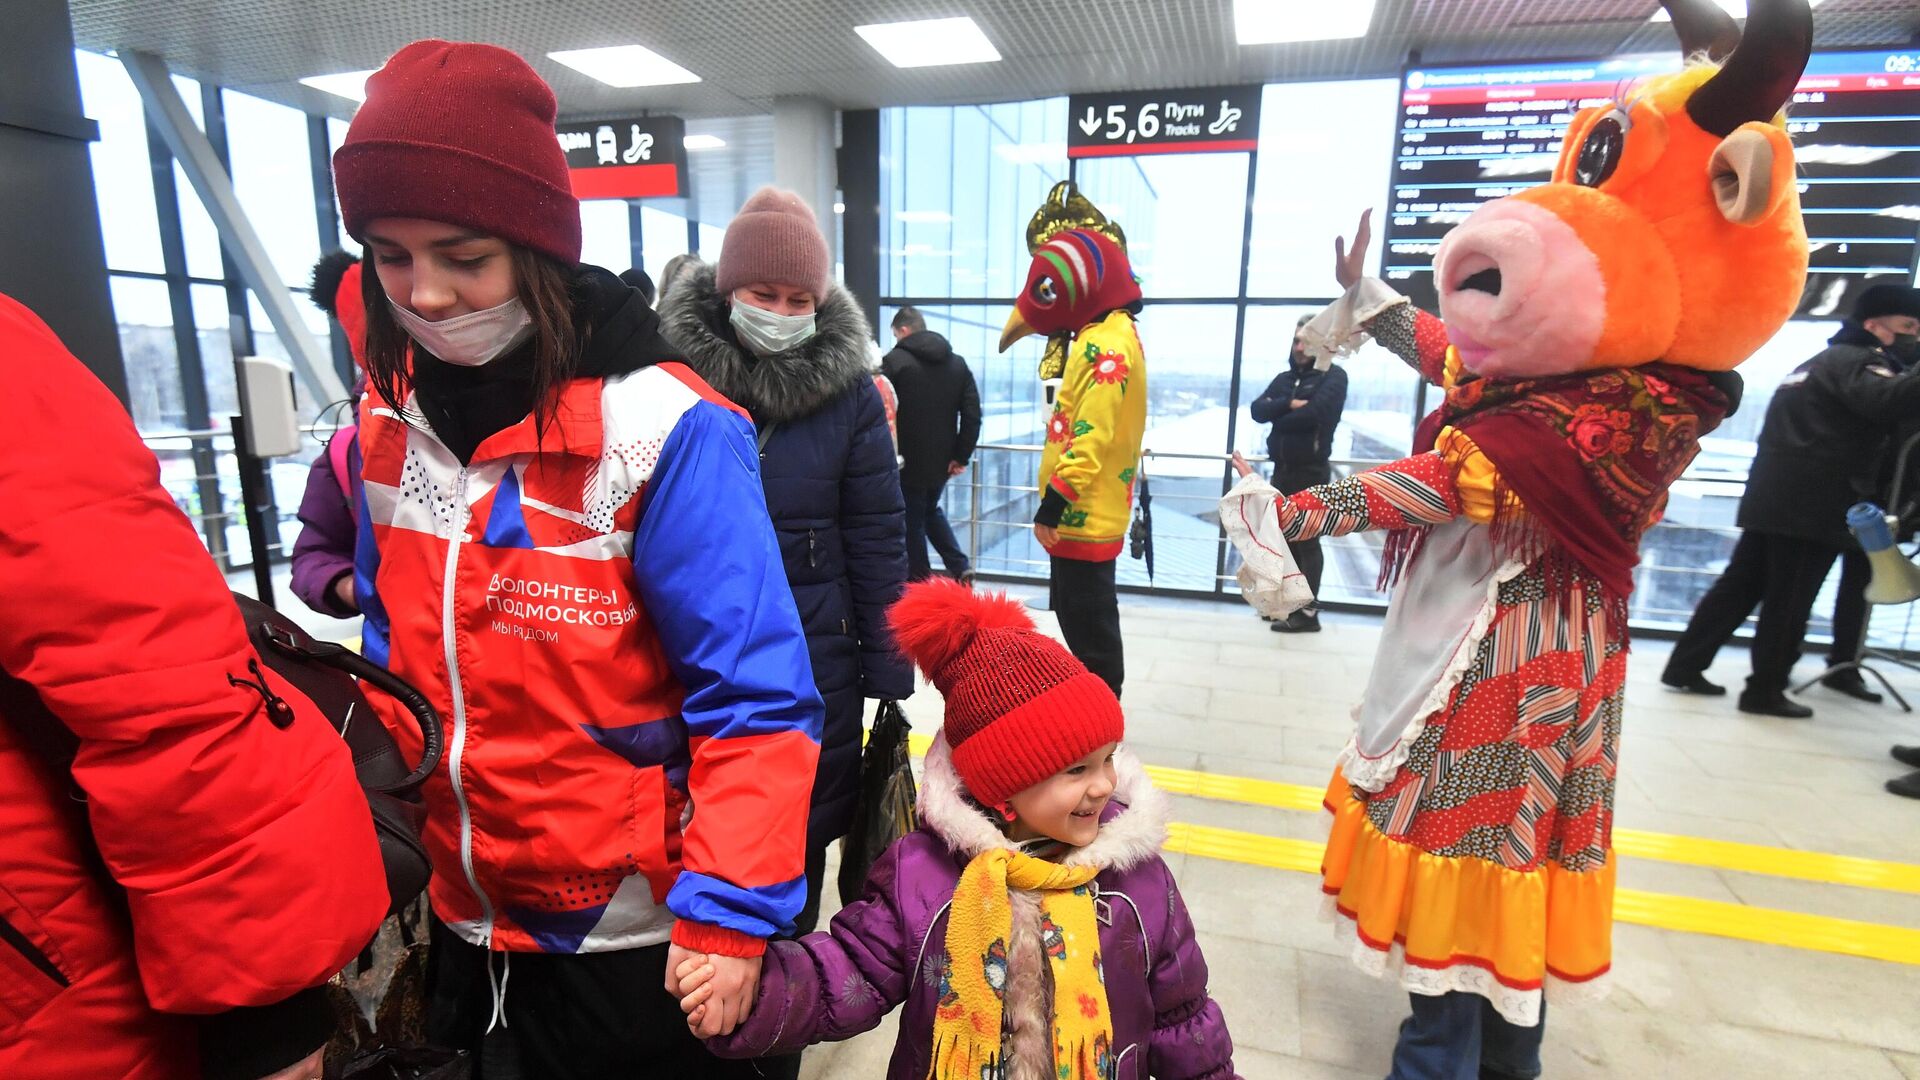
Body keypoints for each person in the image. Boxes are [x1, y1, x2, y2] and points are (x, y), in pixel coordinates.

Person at [1223, 0, 1813, 1071]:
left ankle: (1444, 1059)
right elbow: (1461, 358)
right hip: (1523, 649)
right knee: (1512, 880)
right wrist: (1373, 299)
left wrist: (1291, 512)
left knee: (1472, 853)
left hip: (1506, 666)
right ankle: (1503, 1057)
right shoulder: (1587, 377)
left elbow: (1448, 480)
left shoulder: (1636, 408)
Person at [332, 41, 823, 1076]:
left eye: (464, 257)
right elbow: (395, 660)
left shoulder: (666, 428)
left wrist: (732, 917)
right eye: (390, 255)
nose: (423, 294)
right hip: (463, 916)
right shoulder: (388, 423)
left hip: (636, 941)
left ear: (537, 250)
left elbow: (757, 701)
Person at [0, 290, 387, 1079]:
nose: (432, 295)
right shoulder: (354, 449)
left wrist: (268, 1013)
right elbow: (311, 563)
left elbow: (157, 671)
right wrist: (359, 589)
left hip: (67, 982)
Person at [678, 579, 1237, 1079]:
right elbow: (847, 972)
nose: (1103, 785)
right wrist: (756, 994)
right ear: (1003, 790)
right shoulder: (923, 877)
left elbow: (1182, 1015)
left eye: (1107, 758)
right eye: (1076, 770)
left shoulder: (1136, 879)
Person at [658, 187, 912, 936]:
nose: (779, 310)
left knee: (795, 844)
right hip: (685, 650)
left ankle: (783, 1016)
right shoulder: (672, 380)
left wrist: (887, 667)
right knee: (691, 828)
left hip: (814, 655)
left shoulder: (854, 398)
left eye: (799, 297)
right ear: (725, 290)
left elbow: (876, 536)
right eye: (762, 293)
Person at [1661, 283, 1920, 717]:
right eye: (1908, 326)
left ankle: (1685, 665)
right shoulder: (1858, 361)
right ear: (1874, 326)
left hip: (1775, 498)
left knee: (1741, 586)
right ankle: (1764, 690)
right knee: (1790, 600)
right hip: (1814, 504)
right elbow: (1884, 403)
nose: (1914, 335)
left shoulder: (1814, 363)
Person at [999, 184, 1147, 698]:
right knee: (1078, 617)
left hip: (1082, 520)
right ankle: (1094, 720)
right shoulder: (1111, 335)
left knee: (1092, 633)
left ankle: (1101, 734)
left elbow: (1092, 437)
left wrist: (1051, 508)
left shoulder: (1105, 345)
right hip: (1088, 516)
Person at [1248, 313, 1348, 633]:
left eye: (1306, 339)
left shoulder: (1334, 377)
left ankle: (1308, 615)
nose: (1300, 346)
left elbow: (1314, 415)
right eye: (1296, 340)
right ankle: (1286, 608)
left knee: (1307, 542)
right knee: (1283, 542)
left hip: (1311, 471)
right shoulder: (1285, 379)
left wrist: (1280, 412)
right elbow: (1256, 410)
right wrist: (1290, 404)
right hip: (1282, 470)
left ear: (1323, 342)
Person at [883, 305, 982, 583]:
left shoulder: (893, 362)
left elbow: (882, 413)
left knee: (912, 521)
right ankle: (960, 566)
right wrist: (961, 455)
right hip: (942, 462)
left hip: (904, 461)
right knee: (928, 510)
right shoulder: (958, 363)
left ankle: (919, 582)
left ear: (902, 331)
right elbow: (973, 415)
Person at [291, 250, 365, 618]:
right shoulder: (346, 454)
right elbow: (315, 552)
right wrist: (349, 587)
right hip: (398, 661)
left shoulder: (537, 426)